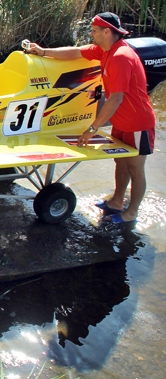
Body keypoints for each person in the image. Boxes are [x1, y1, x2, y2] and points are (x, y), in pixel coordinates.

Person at [28, 12, 155, 225]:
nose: (91, 34)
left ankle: (132, 212)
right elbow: (76, 52)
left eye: (94, 31)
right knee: (121, 163)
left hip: (137, 122)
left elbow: (115, 99)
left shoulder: (120, 57)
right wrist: (43, 51)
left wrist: (93, 128)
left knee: (135, 168)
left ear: (107, 32)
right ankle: (116, 202)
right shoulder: (104, 50)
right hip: (121, 121)